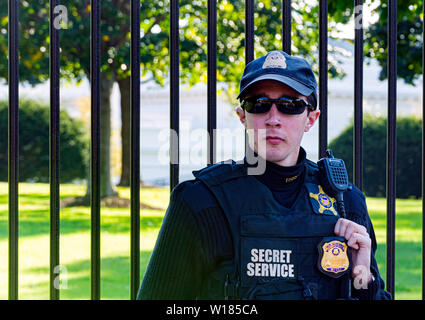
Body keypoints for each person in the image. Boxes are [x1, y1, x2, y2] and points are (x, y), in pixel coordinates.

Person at [137, 50, 392, 300]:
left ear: (311, 119)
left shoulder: (346, 202)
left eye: (289, 105)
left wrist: (362, 276)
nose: (273, 119)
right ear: (243, 116)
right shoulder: (200, 200)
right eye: (258, 104)